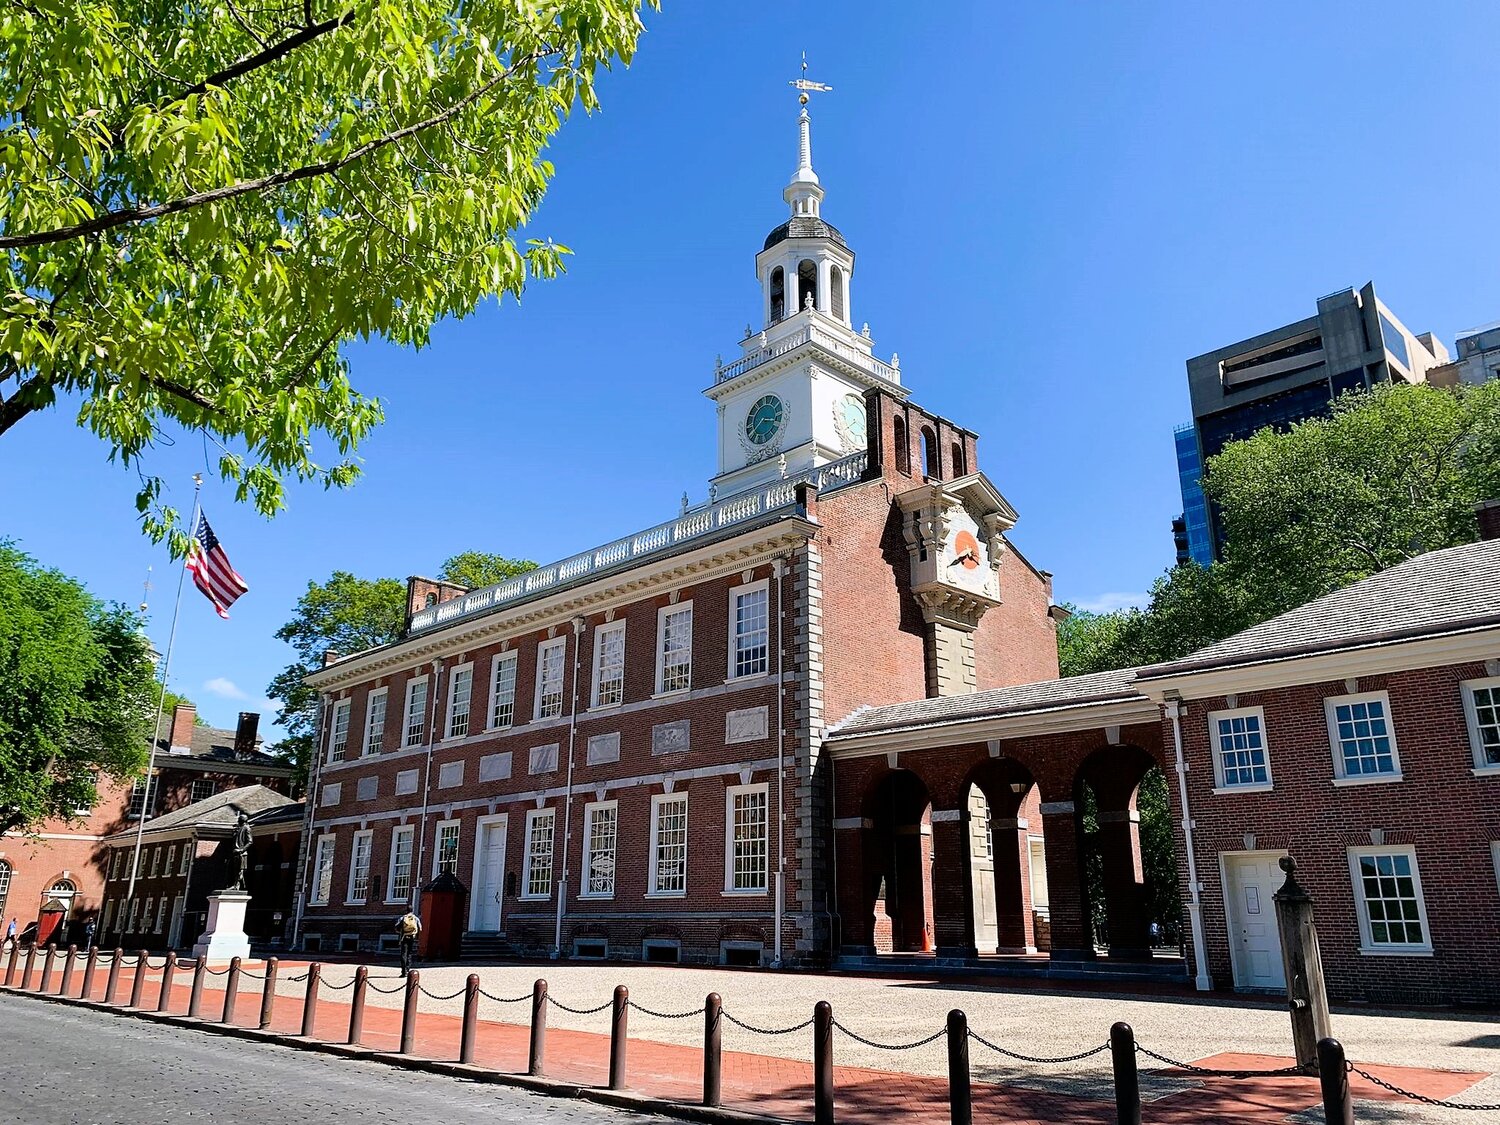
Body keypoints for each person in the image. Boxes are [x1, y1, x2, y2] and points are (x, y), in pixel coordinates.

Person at [394, 910, 421, 977]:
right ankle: (408, 969)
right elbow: (420, 928)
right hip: (412, 937)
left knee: (403, 953)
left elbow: (396, 927)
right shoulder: (415, 918)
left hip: (404, 937)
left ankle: (404, 971)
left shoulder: (402, 918)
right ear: (412, 911)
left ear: (406, 911)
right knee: (409, 953)